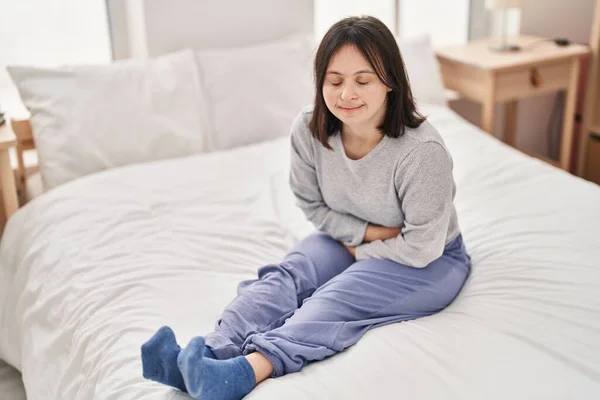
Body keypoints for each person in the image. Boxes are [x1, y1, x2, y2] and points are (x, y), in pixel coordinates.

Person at [140, 15, 471, 400]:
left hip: (430, 261)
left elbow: (420, 247)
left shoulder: (421, 153)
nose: (346, 94)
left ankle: (242, 373)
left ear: (390, 83)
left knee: (336, 298)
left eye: (362, 81)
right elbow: (310, 203)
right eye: (334, 81)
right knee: (287, 276)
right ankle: (208, 355)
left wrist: (359, 252)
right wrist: (364, 236)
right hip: (353, 234)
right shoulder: (309, 129)